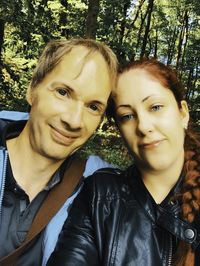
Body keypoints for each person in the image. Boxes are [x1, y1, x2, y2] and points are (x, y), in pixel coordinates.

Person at [47, 58, 200, 266]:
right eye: (127, 116)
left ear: (183, 113)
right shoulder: (99, 197)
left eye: (155, 107)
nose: (144, 126)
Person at [0, 38, 118, 265]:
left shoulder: (99, 191)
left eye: (93, 107)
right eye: (63, 92)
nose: (73, 120)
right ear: (32, 90)